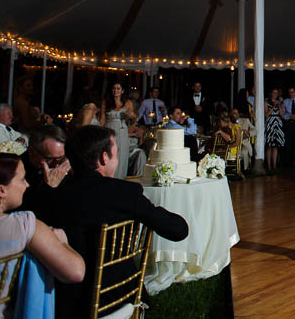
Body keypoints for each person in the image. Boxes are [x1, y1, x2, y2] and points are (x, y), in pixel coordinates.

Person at [46, 125, 189, 319]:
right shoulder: (125, 193)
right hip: (116, 295)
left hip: (62, 300)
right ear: (104, 158)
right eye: (116, 153)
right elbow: (178, 230)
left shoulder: (54, 197)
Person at [0, 153, 85, 318]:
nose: (27, 185)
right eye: (22, 179)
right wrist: (63, 243)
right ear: (1, 190)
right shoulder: (21, 225)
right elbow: (75, 272)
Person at [17, 124, 71, 218]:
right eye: (50, 159)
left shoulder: (63, 165)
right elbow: (24, 213)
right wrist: (48, 188)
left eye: (60, 158)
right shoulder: (15, 171)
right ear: (31, 151)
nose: (56, 165)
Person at [100, 83, 134, 179]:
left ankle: (120, 178)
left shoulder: (128, 102)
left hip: (122, 129)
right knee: (109, 153)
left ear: (122, 90)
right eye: (114, 88)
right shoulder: (106, 102)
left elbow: (133, 120)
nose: (115, 91)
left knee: (121, 155)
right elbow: (102, 119)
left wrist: (130, 116)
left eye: (118, 88)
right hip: (109, 129)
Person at [282, 87, 295, 168]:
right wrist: (289, 117)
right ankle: (288, 162)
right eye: (290, 92)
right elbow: (283, 114)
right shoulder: (286, 101)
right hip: (289, 123)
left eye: (292, 92)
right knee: (289, 143)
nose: (291, 94)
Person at [265, 89, 285, 171]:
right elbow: (266, 114)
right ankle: (269, 165)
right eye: (274, 93)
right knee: (269, 145)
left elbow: (282, 115)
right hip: (270, 123)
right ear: (271, 93)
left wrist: (279, 106)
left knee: (275, 146)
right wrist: (273, 106)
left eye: (276, 93)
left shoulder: (280, 102)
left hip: (278, 124)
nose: (275, 94)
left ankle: (274, 165)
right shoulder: (266, 102)